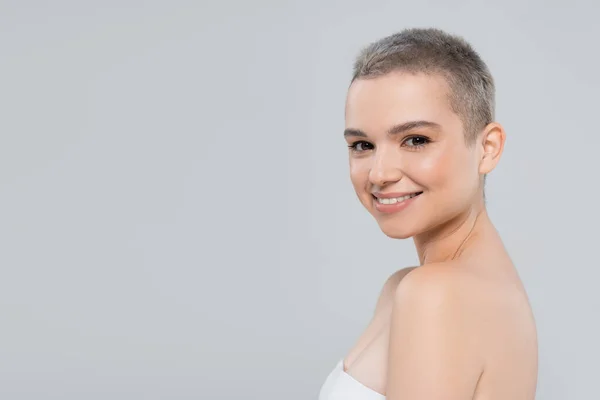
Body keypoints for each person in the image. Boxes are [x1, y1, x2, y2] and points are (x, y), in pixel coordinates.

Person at [318, 28, 538, 400]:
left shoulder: (436, 295)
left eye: (415, 140)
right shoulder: (412, 286)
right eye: (362, 145)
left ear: (487, 148)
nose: (379, 173)